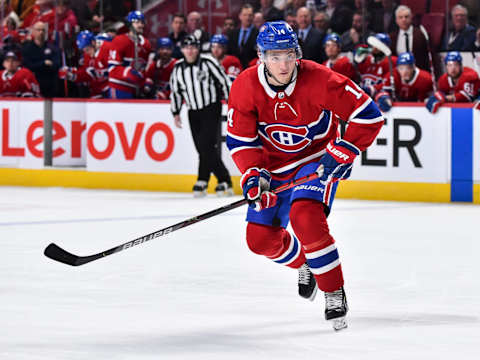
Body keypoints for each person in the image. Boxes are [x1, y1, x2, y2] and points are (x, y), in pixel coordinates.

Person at [226, 21, 384, 330]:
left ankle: (333, 289)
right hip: (272, 168)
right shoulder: (245, 85)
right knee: (259, 240)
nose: (283, 64)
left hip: (314, 161)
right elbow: (242, 140)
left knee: (305, 217)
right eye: (274, 56)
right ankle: (305, 264)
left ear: (296, 53)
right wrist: (253, 175)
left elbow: (368, 115)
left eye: (288, 55)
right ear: (261, 56)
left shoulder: (320, 79)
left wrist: (344, 150)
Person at [170, 35, 233, 197]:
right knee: (202, 147)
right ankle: (205, 179)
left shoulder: (208, 62)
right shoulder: (178, 68)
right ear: (182, 49)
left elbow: (224, 81)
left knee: (205, 145)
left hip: (211, 108)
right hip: (193, 111)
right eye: (187, 48)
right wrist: (176, 112)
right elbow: (176, 92)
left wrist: (230, 102)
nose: (190, 51)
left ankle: (223, 179)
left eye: (193, 47)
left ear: (198, 49)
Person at [107, 10, 152, 99]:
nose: (140, 25)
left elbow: (142, 69)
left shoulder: (146, 44)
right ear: (129, 24)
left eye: (142, 22)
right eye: (137, 22)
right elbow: (112, 69)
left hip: (135, 90)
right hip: (119, 87)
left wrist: (145, 81)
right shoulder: (119, 40)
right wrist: (128, 73)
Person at [21, 21, 61, 97]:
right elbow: (27, 66)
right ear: (33, 32)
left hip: (50, 84)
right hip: (34, 84)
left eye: (43, 30)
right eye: (38, 30)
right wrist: (43, 63)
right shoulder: (27, 49)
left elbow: (57, 64)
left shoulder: (52, 48)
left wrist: (43, 65)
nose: (41, 32)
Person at [389, 5, 429, 72]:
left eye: (406, 17)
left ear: (411, 18)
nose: (404, 19)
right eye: (400, 17)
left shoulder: (420, 34)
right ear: (396, 20)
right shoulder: (392, 37)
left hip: (418, 72)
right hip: (399, 72)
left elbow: (426, 57)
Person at [227, 3, 259, 69]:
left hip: (251, 69)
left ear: (253, 17)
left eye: (250, 15)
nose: (247, 18)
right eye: (245, 15)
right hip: (234, 69)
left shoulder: (258, 34)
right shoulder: (232, 33)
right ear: (240, 16)